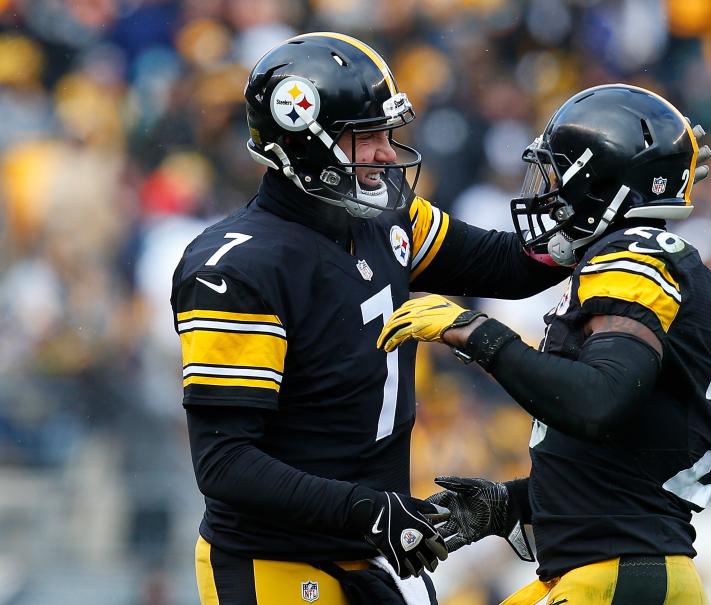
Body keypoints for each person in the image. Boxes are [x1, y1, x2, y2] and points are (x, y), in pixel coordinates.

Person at [171, 32, 574, 605]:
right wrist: (371, 511)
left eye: (387, 133)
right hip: (277, 561)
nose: (387, 152)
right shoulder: (239, 267)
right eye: (367, 136)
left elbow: (509, 266)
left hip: (369, 549)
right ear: (304, 141)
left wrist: (602, 206)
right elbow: (226, 463)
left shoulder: (384, 218)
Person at [378, 84, 711, 604]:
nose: (545, 191)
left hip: (617, 575)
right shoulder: (644, 258)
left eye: (557, 173)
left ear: (600, 183)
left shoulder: (634, 256)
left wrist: (474, 333)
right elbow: (626, 464)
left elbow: (600, 400)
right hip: (616, 569)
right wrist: (509, 507)